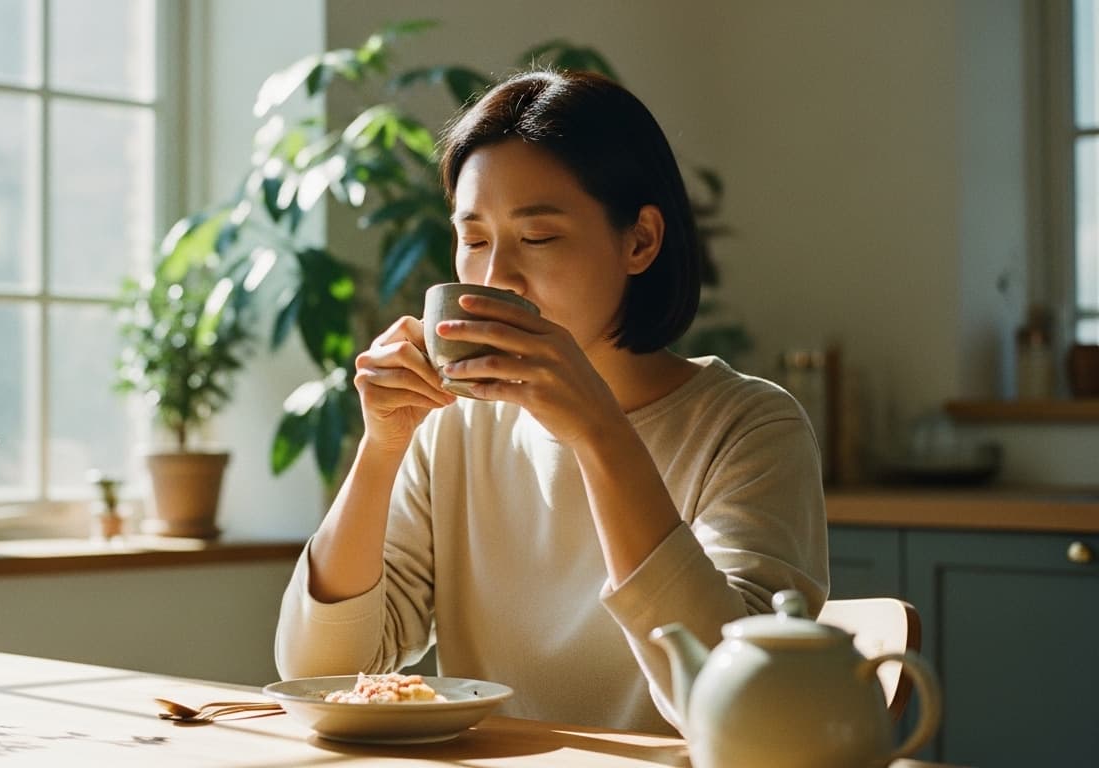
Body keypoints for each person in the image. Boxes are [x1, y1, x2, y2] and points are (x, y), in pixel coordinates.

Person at [273, 69, 828, 736]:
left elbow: (745, 708)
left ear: (640, 241)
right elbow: (320, 674)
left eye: (537, 238)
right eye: (474, 240)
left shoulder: (750, 427)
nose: (496, 277)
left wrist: (599, 432)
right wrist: (381, 448)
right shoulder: (454, 428)